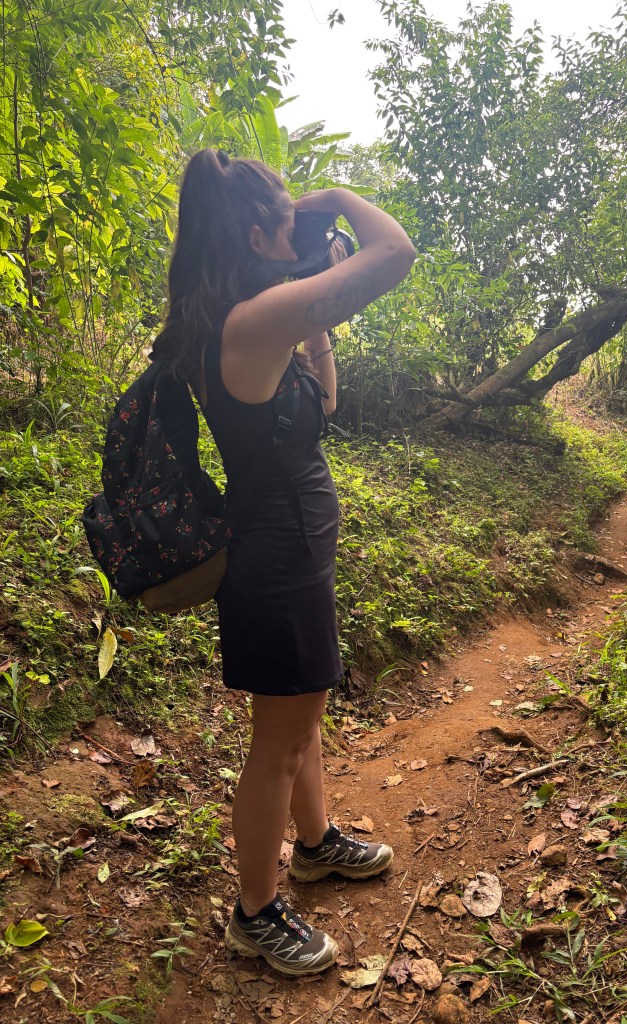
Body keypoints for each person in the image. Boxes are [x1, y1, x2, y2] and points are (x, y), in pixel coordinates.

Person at [151, 149, 416, 976]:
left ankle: (316, 843)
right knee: (279, 743)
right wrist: (335, 193)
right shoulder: (250, 321)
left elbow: (326, 400)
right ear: (260, 235)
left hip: (292, 552)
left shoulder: (258, 321)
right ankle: (255, 912)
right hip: (276, 561)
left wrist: (313, 307)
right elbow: (396, 252)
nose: (303, 226)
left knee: (300, 721)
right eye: (290, 218)